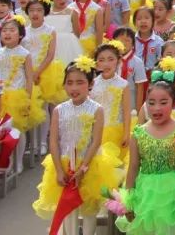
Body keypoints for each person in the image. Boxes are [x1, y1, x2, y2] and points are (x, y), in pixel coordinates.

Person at [34, 57, 122, 235]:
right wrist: (59, 169)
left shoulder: (97, 109)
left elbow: (96, 140)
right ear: (64, 85)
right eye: (70, 83)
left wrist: (83, 168)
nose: (74, 88)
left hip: (90, 165)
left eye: (80, 83)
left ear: (90, 84)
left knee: (89, 209)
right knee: (68, 209)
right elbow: (54, 141)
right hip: (64, 165)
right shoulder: (59, 110)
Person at [116, 75, 175, 235]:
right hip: (146, 195)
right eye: (151, 103)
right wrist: (128, 200)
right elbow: (132, 168)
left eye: (163, 102)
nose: (156, 108)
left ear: (174, 104)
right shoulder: (138, 133)